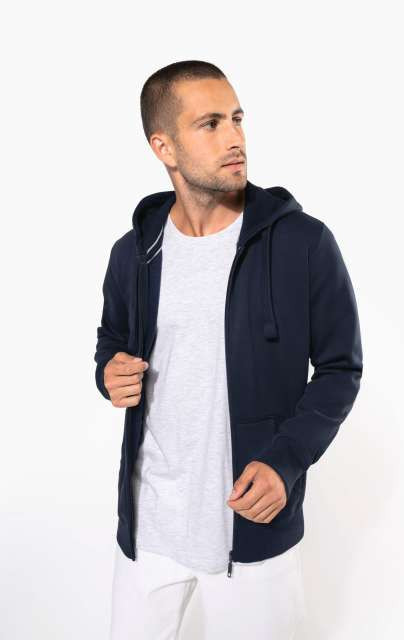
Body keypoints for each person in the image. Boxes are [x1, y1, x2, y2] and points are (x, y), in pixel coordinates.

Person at [94, 60, 363, 639]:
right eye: (210, 124)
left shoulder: (302, 242)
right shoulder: (133, 252)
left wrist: (286, 461)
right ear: (164, 147)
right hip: (148, 528)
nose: (234, 138)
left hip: (252, 525)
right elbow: (111, 339)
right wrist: (108, 370)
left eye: (236, 119)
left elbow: (340, 368)